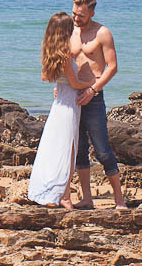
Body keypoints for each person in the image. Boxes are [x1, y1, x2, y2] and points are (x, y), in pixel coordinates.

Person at [28, 12, 95, 207]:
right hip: (69, 104)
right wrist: (93, 82)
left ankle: (57, 191)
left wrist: (61, 83)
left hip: (59, 104)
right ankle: (64, 195)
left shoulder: (50, 53)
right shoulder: (65, 55)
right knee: (68, 149)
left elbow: (45, 78)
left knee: (56, 147)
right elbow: (75, 82)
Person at [70, 0, 127, 209]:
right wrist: (59, 85)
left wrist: (94, 89)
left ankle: (119, 199)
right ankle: (86, 198)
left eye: (81, 16)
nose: (76, 19)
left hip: (93, 96)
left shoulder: (102, 33)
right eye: (74, 13)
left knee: (102, 150)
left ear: (91, 13)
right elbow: (62, 62)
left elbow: (112, 67)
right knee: (79, 150)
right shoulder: (69, 31)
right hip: (72, 96)